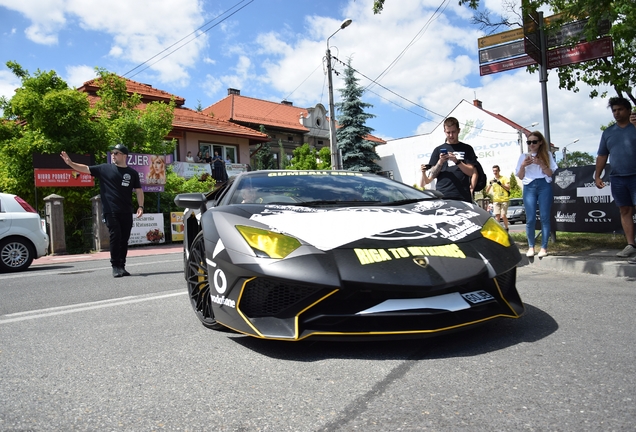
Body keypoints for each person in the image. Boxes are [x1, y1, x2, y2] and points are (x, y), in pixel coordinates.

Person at [60, 144, 144, 278]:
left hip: (126, 211)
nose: (113, 155)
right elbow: (85, 169)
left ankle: (122, 266)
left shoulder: (132, 173)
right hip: (111, 210)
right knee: (115, 235)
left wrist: (140, 206)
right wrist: (70, 163)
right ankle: (115, 266)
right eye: (112, 153)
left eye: (116, 153)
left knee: (124, 239)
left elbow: (139, 191)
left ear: (124, 155)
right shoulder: (104, 169)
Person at [595, 96, 636, 259]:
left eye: (620, 109)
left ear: (628, 110)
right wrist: (597, 175)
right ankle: (630, 244)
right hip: (618, 177)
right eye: (614, 110)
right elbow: (602, 155)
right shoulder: (608, 132)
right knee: (624, 210)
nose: (616, 113)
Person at [516, 131, 557, 258]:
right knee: (531, 218)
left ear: (540, 143)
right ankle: (531, 247)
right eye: (529, 142)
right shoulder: (523, 156)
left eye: (534, 142)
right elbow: (521, 176)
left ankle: (544, 247)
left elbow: (550, 173)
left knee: (544, 217)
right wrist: (523, 165)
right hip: (529, 186)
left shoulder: (547, 154)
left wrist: (541, 163)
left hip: (544, 185)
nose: (531, 144)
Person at [426, 117, 477, 202]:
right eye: (448, 132)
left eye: (453, 132)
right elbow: (432, 175)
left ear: (459, 130)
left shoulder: (467, 148)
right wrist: (440, 162)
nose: (450, 135)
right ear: (444, 132)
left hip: (463, 196)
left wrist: (457, 161)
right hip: (442, 196)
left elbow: (471, 172)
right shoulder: (438, 150)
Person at [486, 165, 510, 230]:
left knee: (503, 215)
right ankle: (498, 229)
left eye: (496, 171)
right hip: (496, 200)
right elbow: (486, 192)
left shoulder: (504, 178)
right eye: (493, 171)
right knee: (497, 215)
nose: (495, 172)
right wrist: (490, 184)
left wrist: (500, 184)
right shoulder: (492, 180)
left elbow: (508, 188)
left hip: (504, 199)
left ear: (499, 171)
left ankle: (506, 228)